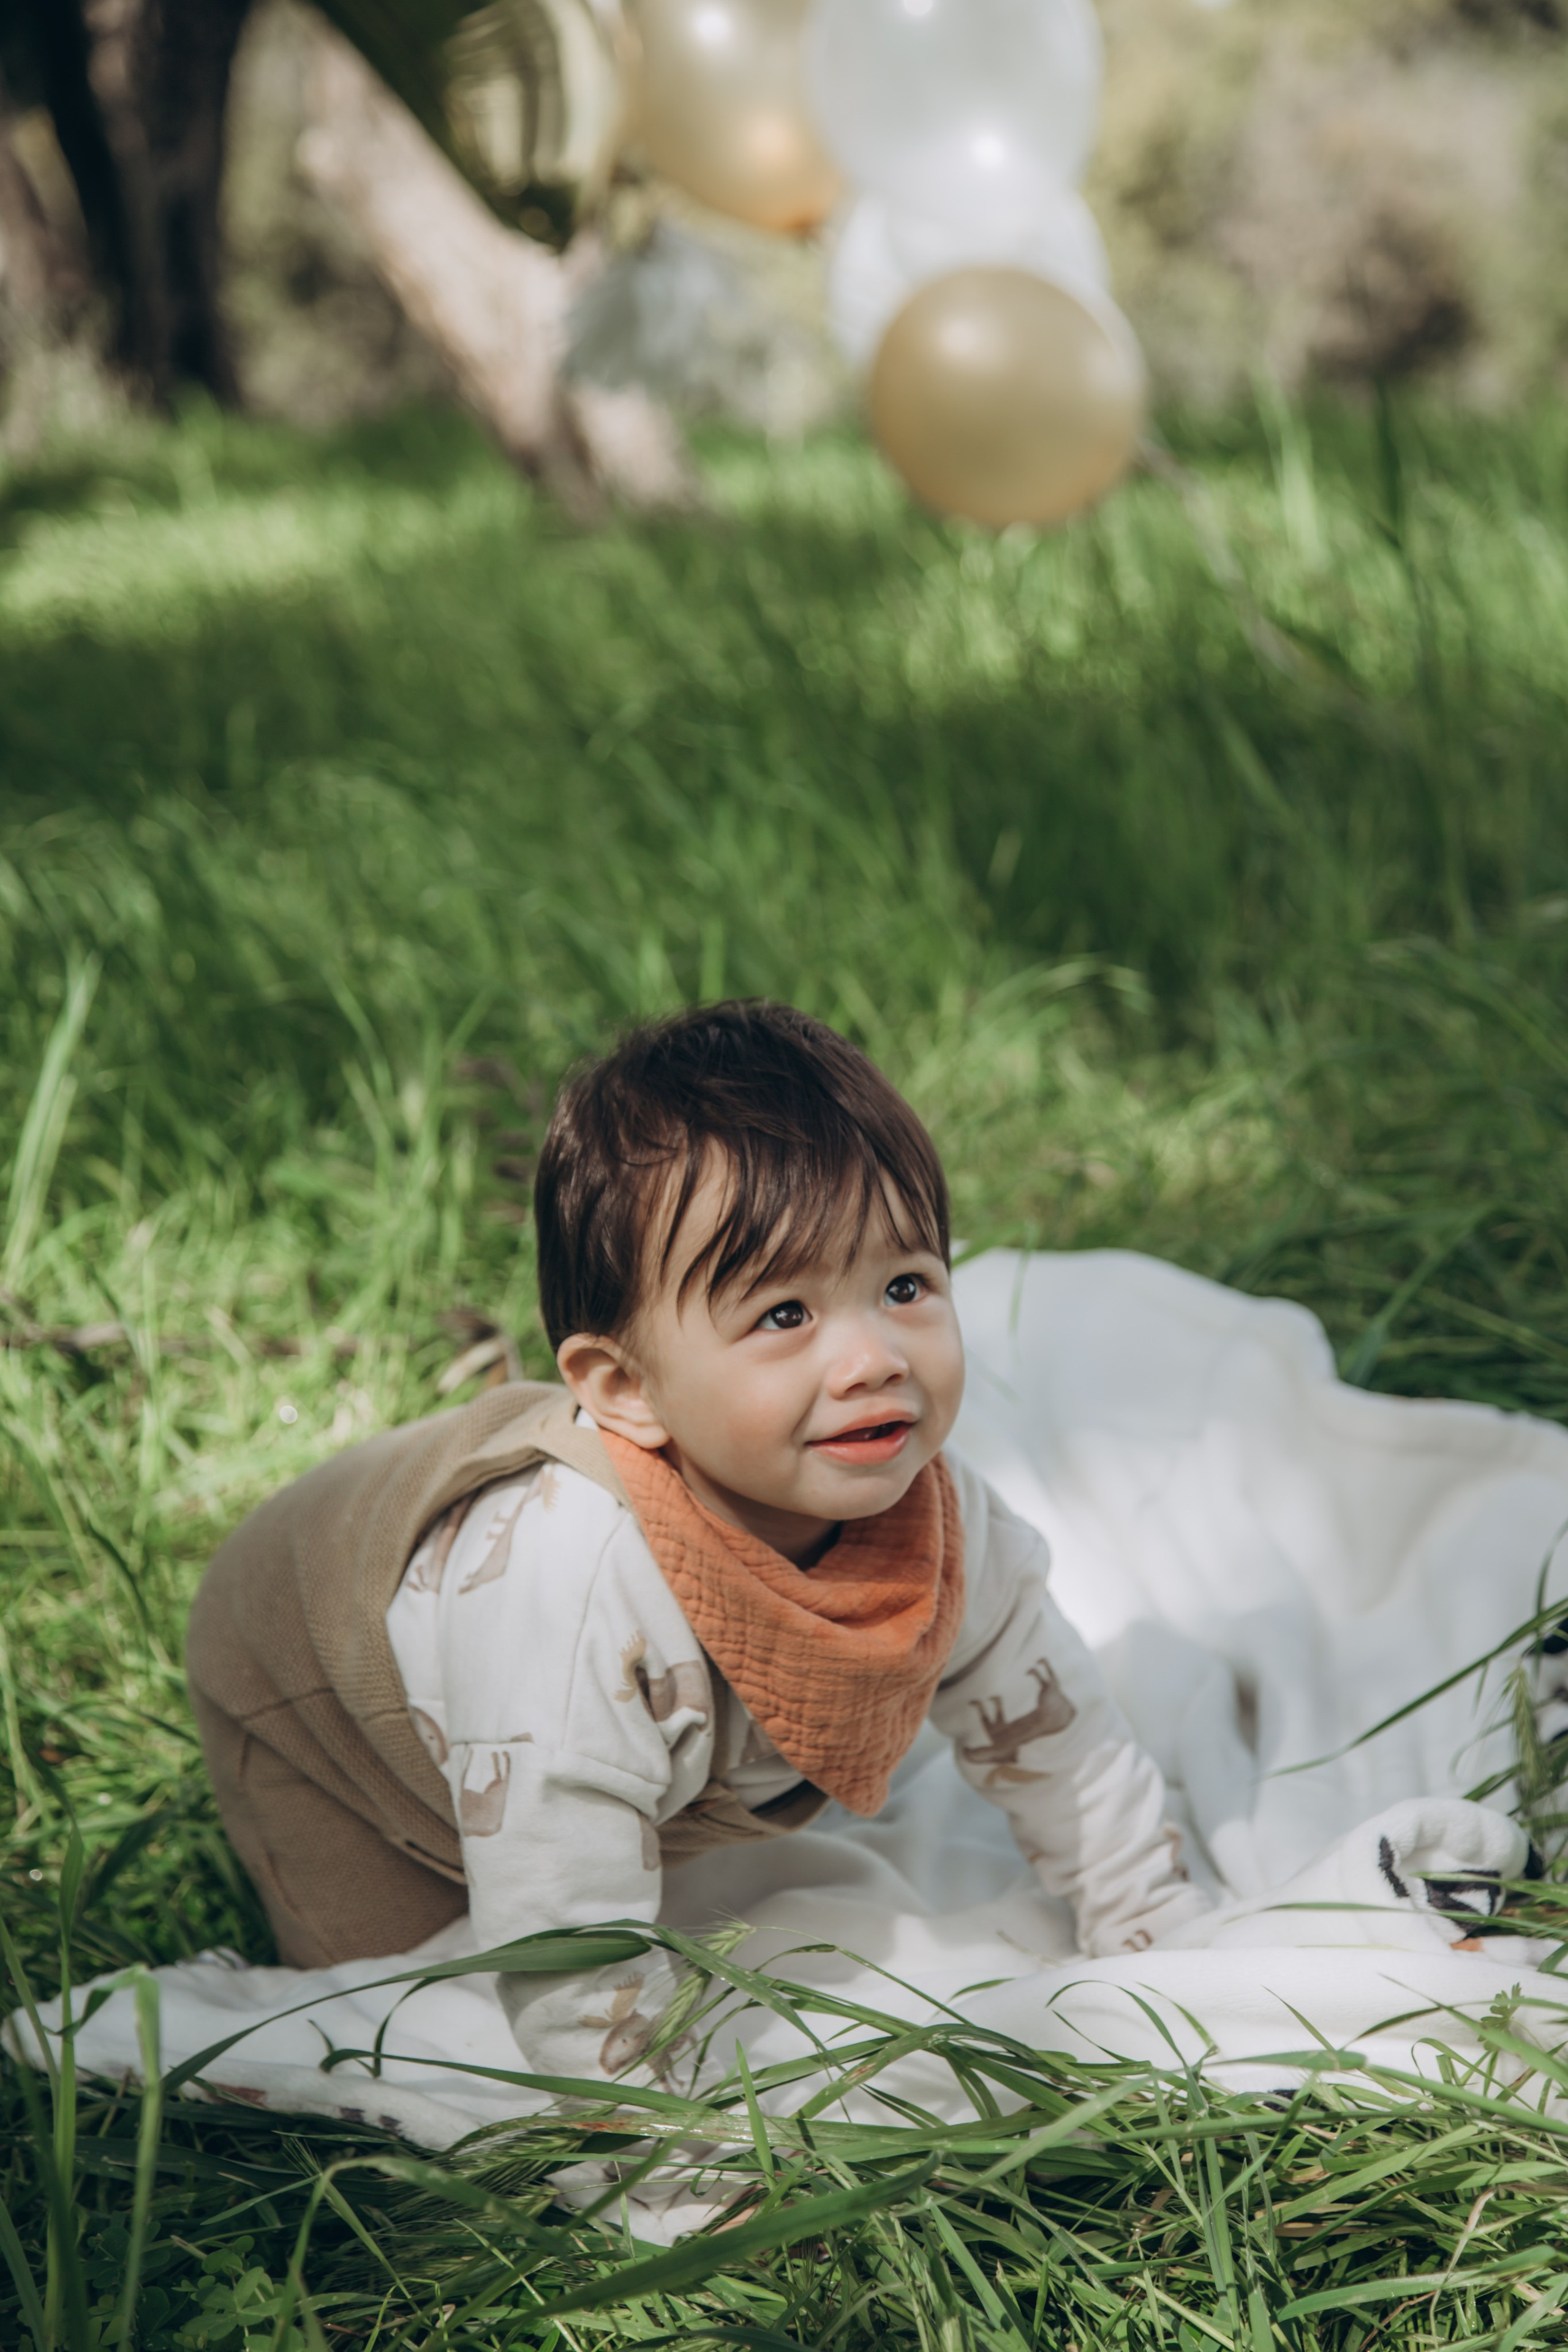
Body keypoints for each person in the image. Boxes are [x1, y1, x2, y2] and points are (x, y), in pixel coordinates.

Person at [187, 1000, 1210, 2092]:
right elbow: (566, 1939)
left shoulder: (951, 1524)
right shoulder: (573, 1598)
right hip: (317, 1697)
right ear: (626, 1390)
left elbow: (1059, 1733)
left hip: (563, 1720)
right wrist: (647, 2148)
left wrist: (1158, 1929)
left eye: (905, 1286)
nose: (871, 1358)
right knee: (411, 2018)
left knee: (619, 1834)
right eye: (783, 1315)